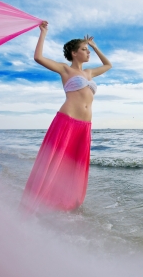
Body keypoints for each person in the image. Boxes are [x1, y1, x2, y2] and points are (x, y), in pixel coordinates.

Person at [21, 21, 112, 212]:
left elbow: (108, 65)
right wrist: (43, 33)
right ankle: (33, 204)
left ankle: (66, 206)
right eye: (85, 49)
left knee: (75, 167)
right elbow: (38, 57)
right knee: (53, 162)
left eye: (88, 50)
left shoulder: (89, 72)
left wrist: (95, 47)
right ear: (74, 53)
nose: (88, 53)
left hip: (85, 125)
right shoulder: (65, 69)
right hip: (67, 121)